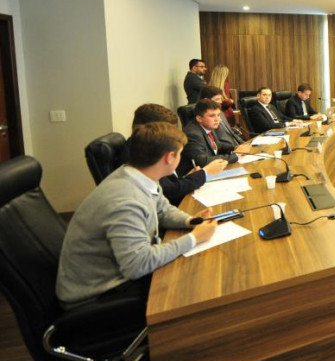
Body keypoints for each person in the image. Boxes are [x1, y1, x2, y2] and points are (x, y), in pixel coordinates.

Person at [55, 122, 217, 309]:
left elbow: (162, 209)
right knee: (196, 288)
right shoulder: (126, 200)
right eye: (180, 154)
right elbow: (137, 265)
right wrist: (193, 239)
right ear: (169, 157)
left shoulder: (138, 175)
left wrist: (191, 221)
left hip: (119, 273)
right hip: (98, 295)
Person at [132, 103, 227, 206]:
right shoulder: (142, 154)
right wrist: (205, 172)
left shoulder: (150, 147)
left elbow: (165, 200)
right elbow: (172, 191)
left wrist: (188, 176)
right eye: (169, 130)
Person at [181, 99, 251, 173]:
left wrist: (235, 148)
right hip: (195, 176)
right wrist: (236, 156)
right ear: (199, 118)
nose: (217, 119)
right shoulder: (192, 134)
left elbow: (217, 145)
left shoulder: (208, 126)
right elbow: (202, 161)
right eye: (212, 116)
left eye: (218, 115)